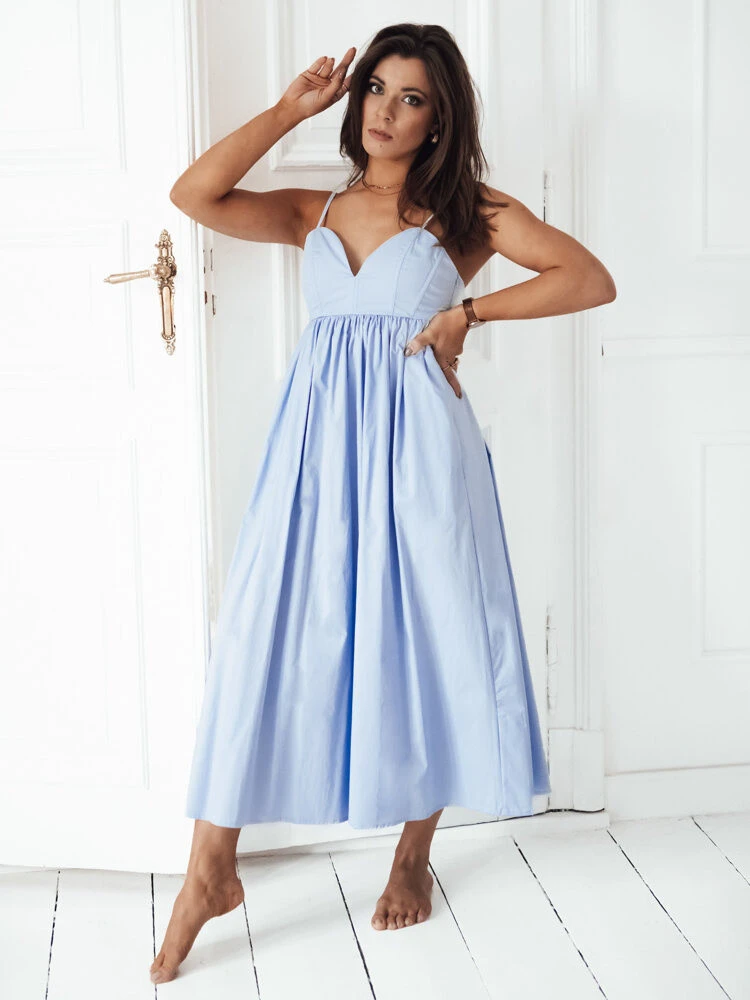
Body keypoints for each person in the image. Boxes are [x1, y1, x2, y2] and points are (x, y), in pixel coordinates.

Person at [151, 23, 616, 985]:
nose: (386, 112)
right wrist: (291, 109)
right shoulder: (312, 210)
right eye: (375, 90)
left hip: (422, 452)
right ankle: (211, 868)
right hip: (315, 454)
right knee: (262, 635)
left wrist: (466, 313)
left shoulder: (468, 214)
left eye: (411, 99)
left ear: (439, 119)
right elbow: (193, 195)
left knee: (427, 632)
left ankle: (413, 849)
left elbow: (587, 277)